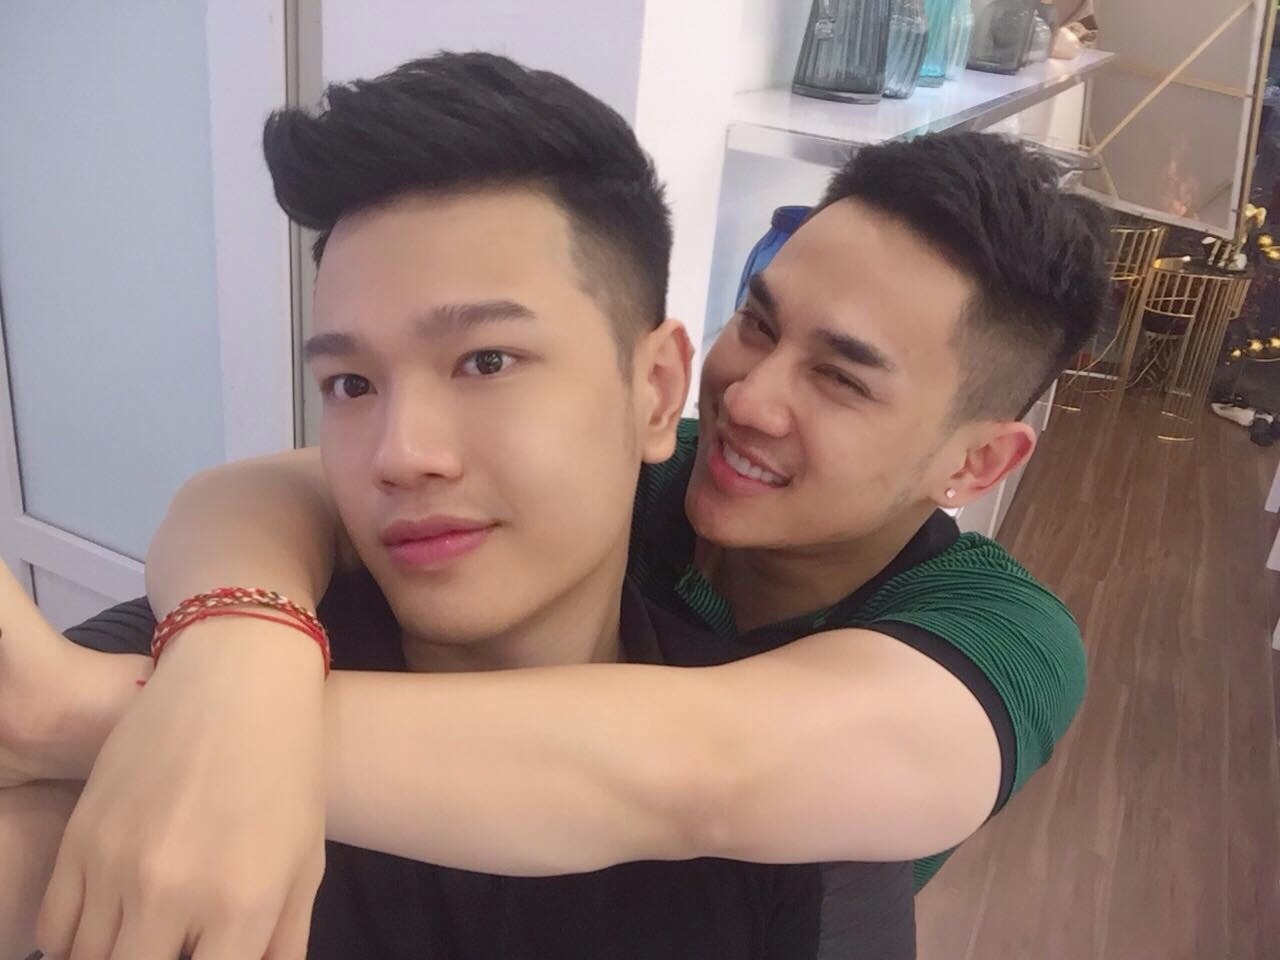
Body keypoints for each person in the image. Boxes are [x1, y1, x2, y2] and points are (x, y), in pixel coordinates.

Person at [8, 57, 1112, 960]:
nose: (745, 398)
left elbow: (702, 774)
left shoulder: (994, 637)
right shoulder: (655, 468)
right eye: (759, 322)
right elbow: (275, 487)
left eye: (841, 377)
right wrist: (233, 655)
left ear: (976, 463)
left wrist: (104, 722)